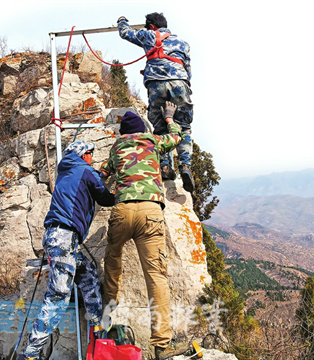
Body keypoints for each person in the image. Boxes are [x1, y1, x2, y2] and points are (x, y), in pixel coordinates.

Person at [100, 104, 190, 360]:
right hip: (150, 211)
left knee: (112, 263)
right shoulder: (152, 140)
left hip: (122, 209)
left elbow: (104, 171)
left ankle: (106, 319)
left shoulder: (116, 147)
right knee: (156, 277)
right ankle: (162, 345)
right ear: (141, 130)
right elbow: (177, 136)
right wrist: (169, 117)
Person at [18, 141, 115, 360]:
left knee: (88, 276)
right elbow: (104, 197)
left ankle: (97, 330)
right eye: (91, 153)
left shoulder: (68, 170)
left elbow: (86, 181)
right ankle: (31, 354)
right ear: (84, 155)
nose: (92, 157)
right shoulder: (84, 170)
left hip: (60, 238)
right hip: (63, 237)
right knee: (58, 295)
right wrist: (122, 192)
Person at [117, 12, 195, 193]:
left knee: (160, 127)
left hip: (156, 85)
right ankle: (185, 166)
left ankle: (166, 168)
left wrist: (122, 20)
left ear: (151, 26)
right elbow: (188, 71)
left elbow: (125, 33)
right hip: (180, 83)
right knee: (184, 127)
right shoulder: (183, 43)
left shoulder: (148, 36)